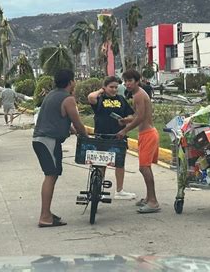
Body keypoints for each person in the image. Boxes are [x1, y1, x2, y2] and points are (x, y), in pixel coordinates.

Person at [33, 69, 88, 228]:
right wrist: (85, 136)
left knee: (53, 175)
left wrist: (71, 130)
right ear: (70, 82)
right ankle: (44, 216)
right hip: (47, 141)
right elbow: (77, 122)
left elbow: (58, 118)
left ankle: (47, 213)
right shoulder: (68, 99)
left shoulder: (52, 95)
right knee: (51, 175)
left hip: (43, 140)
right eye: (74, 80)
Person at [117, 69, 160, 213]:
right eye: (125, 81)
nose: (127, 84)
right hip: (145, 133)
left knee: (144, 167)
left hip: (148, 134)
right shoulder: (138, 94)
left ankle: (153, 201)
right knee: (145, 167)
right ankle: (149, 198)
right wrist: (126, 120)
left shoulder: (139, 95)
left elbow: (141, 117)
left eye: (130, 81)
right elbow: (138, 115)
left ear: (137, 81)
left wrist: (125, 130)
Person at [88, 76, 136, 200]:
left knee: (119, 163)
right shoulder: (100, 98)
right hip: (102, 135)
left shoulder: (121, 99)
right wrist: (101, 91)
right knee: (100, 163)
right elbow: (90, 97)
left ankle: (119, 190)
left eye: (116, 87)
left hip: (118, 135)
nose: (114, 89)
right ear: (105, 87)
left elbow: (131, 115)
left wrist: (125, 120)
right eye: (111, 87)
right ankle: (99, 189)